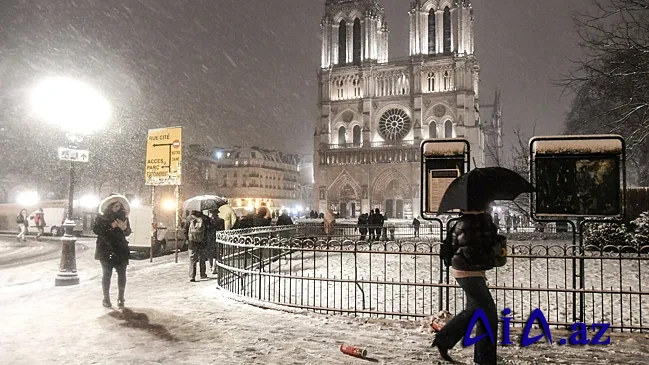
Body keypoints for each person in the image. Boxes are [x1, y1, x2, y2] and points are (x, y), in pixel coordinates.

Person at [432, 202, 500, 365]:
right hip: (469, 272)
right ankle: (484, 359)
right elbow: (478, 247)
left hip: (466, 270)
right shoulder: (474, 224)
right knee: (488, 315)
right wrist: (488, 223)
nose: (489, 208)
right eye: (487, 206)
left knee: (473, 310)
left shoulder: (466, 222)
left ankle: (444, 339)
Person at [94, 195, 131, 308]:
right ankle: (106, 298)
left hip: (120, 249)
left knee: (122, 274)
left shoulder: (123, 217)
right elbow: (96, 230)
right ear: (110, 205)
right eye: (115, 205)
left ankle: (121, 298)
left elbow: (128, 232)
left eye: (119, 205)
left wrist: (124, 228)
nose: (117, 207)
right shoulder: (101, 217)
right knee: (107, 274)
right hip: (106, 249)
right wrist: (111, 226)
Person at [185, 210, 209, 282]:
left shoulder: (189, 219)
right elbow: (208, 229)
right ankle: (203, 274)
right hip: (202, 241)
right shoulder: (205, 219)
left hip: (192, 242)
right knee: (202, 258)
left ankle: (192, 276)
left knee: (192, 259)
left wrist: (187, 239)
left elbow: (185, 230)